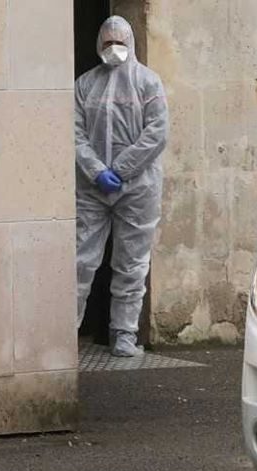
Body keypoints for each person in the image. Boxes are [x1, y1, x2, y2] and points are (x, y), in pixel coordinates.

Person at [74, 16, 169, 357]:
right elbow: (74, 134)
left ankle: (125, 334)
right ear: (98, 44)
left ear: (131, 42)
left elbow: (157, 133)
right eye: (107, 42)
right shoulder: (84, 85)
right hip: (92, 188)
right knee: (80, 260)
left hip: (138, 187)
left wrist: (121, 169)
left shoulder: (148, 82)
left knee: (131, 263)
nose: (113, 48)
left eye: (119, 42)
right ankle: (67, 332)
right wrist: (97, 171)